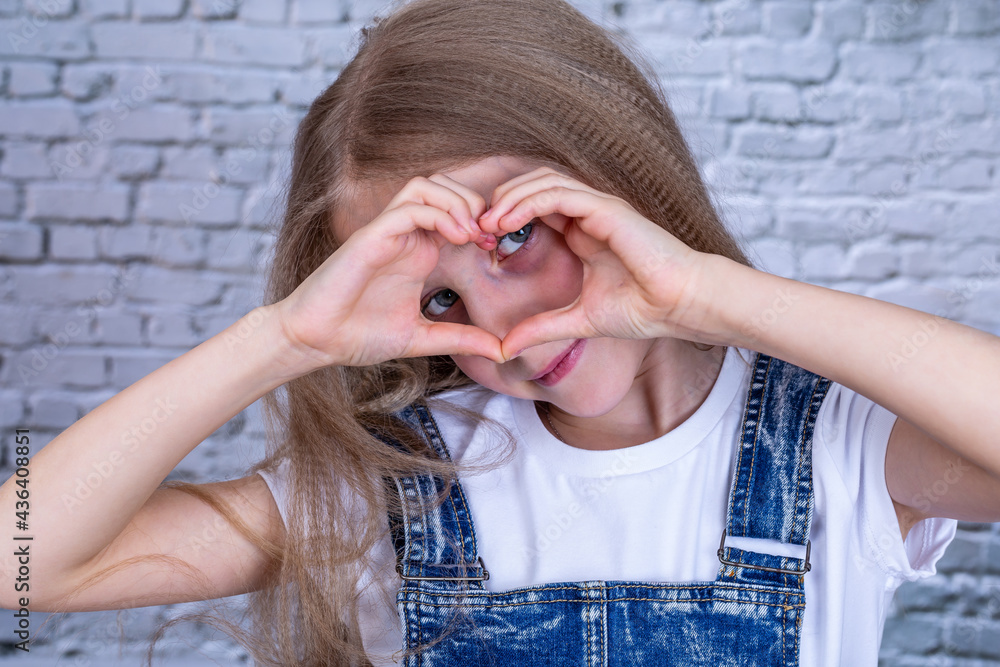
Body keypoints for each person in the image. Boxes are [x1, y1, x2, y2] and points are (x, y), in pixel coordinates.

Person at [2, 0, 998, 665]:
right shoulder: (389, 485)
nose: (504, 330)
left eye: (516, 236)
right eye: (438, 300)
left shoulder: (837, 443)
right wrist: (285, 338)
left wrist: (705, 290)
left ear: (613, 173)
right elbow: (20, 560)